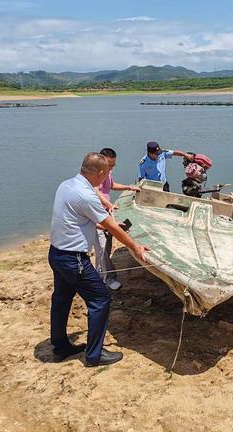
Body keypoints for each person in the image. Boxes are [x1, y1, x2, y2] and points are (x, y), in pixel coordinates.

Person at [49, 152, 150, 367]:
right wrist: (135, 246)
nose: (107, 177)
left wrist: (101, 224)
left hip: (56, 254)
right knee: (100, 298)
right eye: (107, 173)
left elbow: (76, 219)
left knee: (61, 300)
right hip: (73, 259)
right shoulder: (86, 195)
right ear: (101, 173)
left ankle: (60, 347)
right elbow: (110, 226)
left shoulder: (66, 185)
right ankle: (94, 355)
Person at [95, 147, 140, 292]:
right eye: (109, 165)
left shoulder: (108, 172)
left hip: (107, 213)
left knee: (106, 247)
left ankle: (99, 275)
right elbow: (94, 191)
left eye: (113, 165)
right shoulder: (95, 174)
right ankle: (108, 279)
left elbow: (111, 185)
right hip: (97, 215)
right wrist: (107, 204)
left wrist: (128, 187)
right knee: (101, 248)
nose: (111, 167)